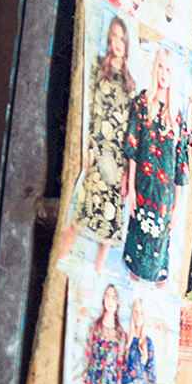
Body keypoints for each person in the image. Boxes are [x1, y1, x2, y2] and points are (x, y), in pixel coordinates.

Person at [120, 53, 192, 284]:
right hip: (142, 188)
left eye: (168, 69)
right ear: (155, 69)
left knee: (158, 258)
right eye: (160, 67)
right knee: (136, 252)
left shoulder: (177, 116)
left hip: (164, 197)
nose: (163, 73)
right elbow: (133, 147)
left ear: (174, 75)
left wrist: (175, 208)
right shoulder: (142, 103)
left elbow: (180, 165)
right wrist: (131, 188)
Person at [71, 17, 138, 248]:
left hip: (117, 163)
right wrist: (89, 149)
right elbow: (89, 110)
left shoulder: (130, 84)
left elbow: (129, 132)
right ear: (109, 38)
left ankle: (97, 278)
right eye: (115, 36)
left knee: (107, 235)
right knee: (80, 217)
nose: (118, 42)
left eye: (123, 38)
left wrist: (127, 175)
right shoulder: (99, 68)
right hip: (97, 153)